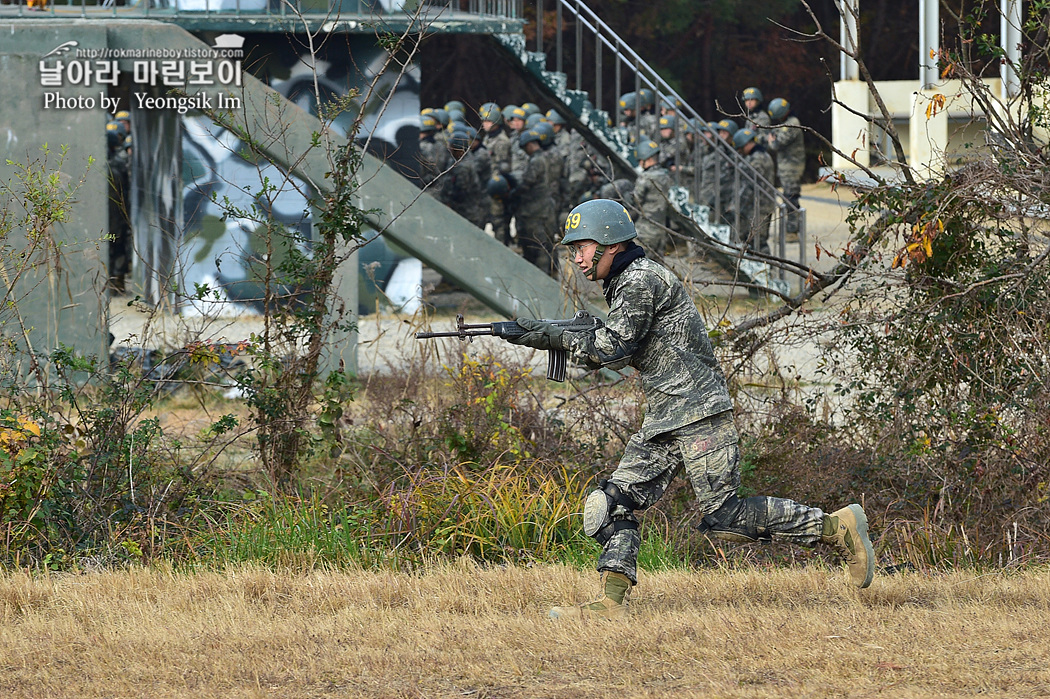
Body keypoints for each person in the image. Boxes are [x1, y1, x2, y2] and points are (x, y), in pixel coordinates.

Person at [506, 199, 875, 619]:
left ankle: (836, 528)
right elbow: (622, 349)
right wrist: (555, 335)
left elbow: (613, 347)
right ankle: (611, 604)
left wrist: (551, 337)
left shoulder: (639, 279)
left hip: (698, 412)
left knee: (725, 515)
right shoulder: (626, 281)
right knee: (610, 504)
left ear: (609, 243)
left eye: (583, 247)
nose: (577, 258)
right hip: (667, 416)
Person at [766, 97, 805, 236]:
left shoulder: (792, 124)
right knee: (788, 197)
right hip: (786, 166)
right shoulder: (787, 123)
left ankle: (792, 231)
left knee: (790, 198)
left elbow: (777, 144)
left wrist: (771, 141)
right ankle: (792, 229)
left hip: (792, 167)